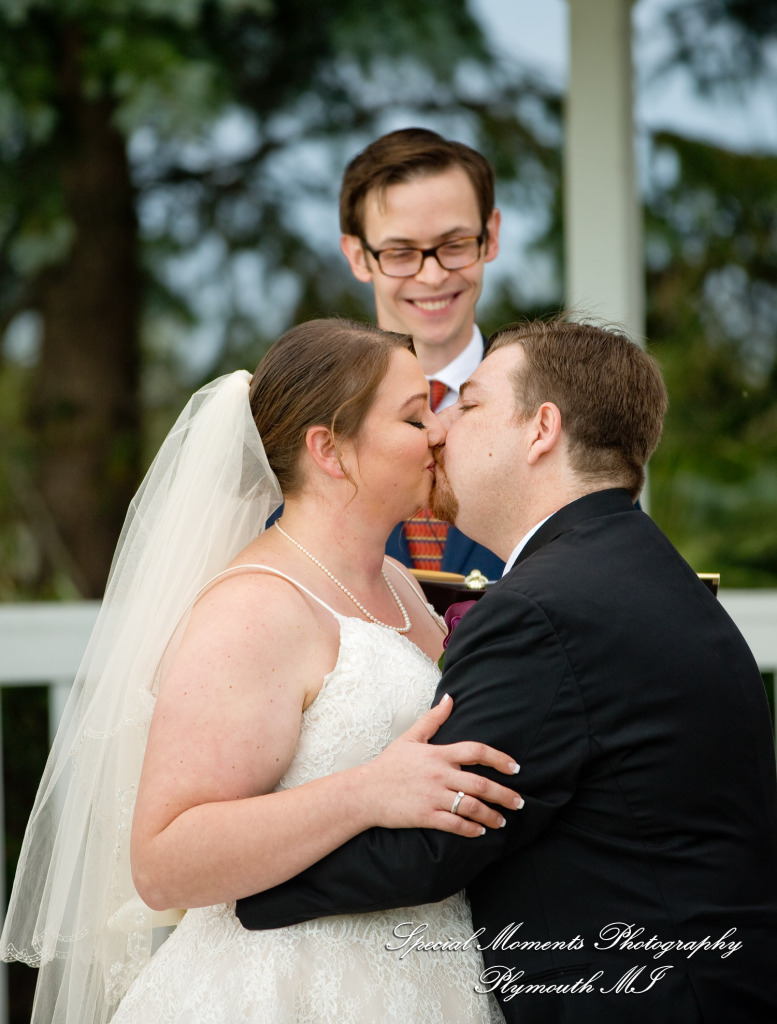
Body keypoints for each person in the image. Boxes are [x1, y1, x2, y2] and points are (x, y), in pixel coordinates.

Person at [236, 319, 777, 1023]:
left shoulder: (544, 608)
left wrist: (235, 895)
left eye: (468, 403)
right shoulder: (639, 569)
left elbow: (437, 842)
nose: (441, 429)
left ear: (540, 429)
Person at [1, 319, 525, 1024]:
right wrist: (367, 793)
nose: (438, 432)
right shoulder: (255, 608)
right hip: (284, 989)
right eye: (412, 416)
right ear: (328, 449)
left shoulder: (400, 582)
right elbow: (164, 863)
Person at [339, 127, 504, 578]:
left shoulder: (559, 413)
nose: (431, 277)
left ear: (490, 236)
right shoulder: (305, 421)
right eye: (400, 252)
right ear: (358, 256)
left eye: (454, 245)